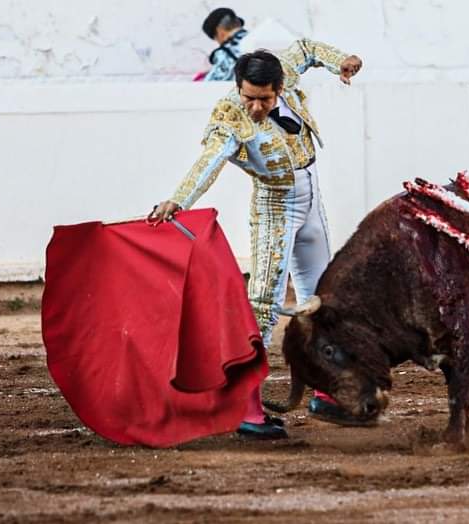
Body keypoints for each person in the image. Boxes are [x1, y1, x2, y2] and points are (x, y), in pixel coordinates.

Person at [149, 40, 364, 437]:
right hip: (275, 209)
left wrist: (341, 63)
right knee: (263, 306)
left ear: (279, 88)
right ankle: (247, 410)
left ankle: (326, 391)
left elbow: (306, 48)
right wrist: (178, 200)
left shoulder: (284, 69)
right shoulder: (231, 116)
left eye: (263, 99)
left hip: (312, 201)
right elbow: (209, 161)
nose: (254, 108)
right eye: (248, 97)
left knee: (324, 298)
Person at [201, 7, 249, 81]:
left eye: (216, 39)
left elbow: (208, 86)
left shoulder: (226, 52)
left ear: (219, 32)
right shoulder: (261, 40)